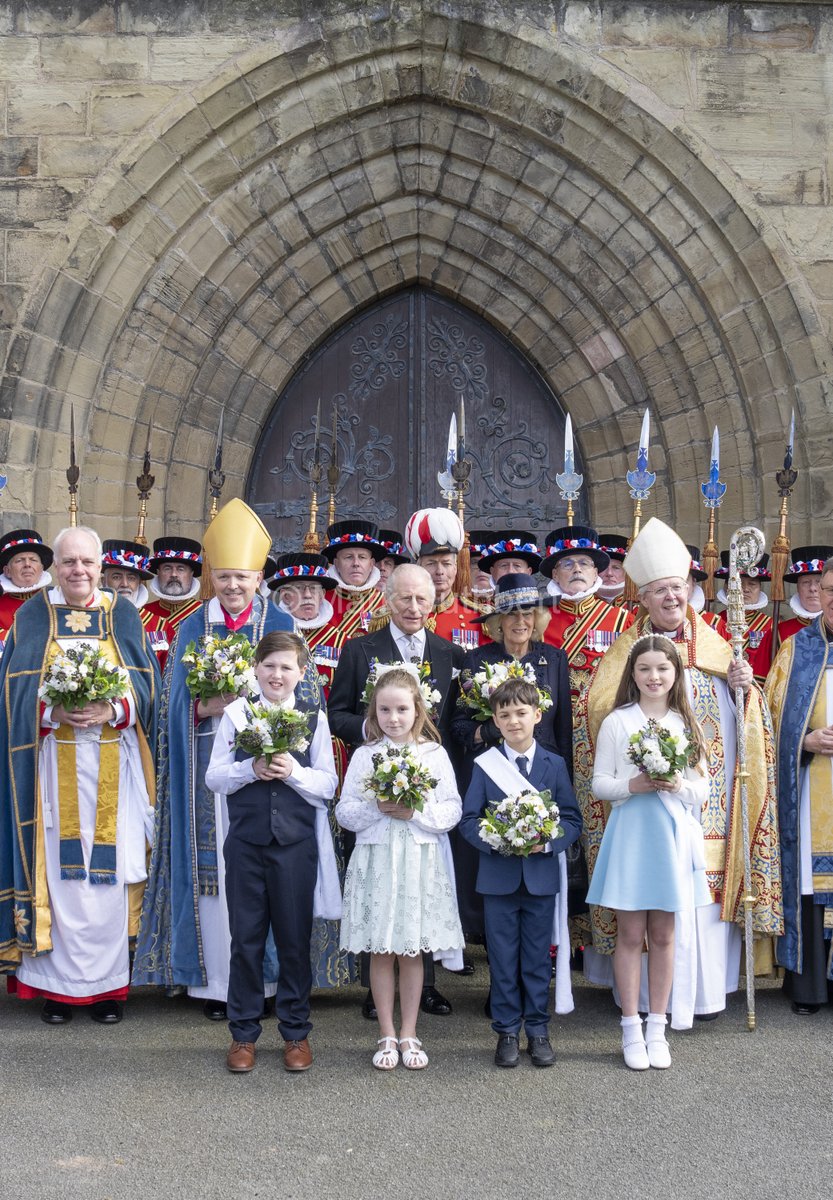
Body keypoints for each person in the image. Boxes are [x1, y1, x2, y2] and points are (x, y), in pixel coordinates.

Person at [575, 517, 782, 1018]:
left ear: (690, 589)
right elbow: (597, 715)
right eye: (659, 591)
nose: (671, 598)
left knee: (697, 902)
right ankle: (641, 1004)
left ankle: (703, 997)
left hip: (705, 807)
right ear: (642, 598)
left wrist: (743, 690)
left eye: (678, 587)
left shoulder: (719, 646)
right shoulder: (627, 654)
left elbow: (749, 725)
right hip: (640, 811)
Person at [132, 499, 322, 1016]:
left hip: (269, 776)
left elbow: (307, 701)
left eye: (242, 576)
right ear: (212, 575)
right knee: (212, 872)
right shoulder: (192, 628)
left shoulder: (281, 622)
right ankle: (213, 983)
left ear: (259, 576)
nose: (233, 586)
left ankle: (269, 987)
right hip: (205, 768)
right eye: (225, 577)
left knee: (268, 880)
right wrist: (205, 704)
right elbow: (171, 707)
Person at [0, 525, 159, 1024]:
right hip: (52, 768)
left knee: (110, 876)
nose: (78, 571)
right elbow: (12, 691)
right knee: (59, 877)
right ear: (55, 567)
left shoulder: (123, 614)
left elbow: (149, 689)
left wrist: (114, 708)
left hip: (114, 760)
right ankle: (55, 989)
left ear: (100, 566)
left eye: (87, 563)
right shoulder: (32, 615)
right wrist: (53, 713)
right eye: (68, 562)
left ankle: (109, 990)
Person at [329, 561, 465, 1017]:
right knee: (381, 887)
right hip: (375, 784)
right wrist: (377, 730)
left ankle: (424, 986)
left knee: (420, 889)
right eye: (403, 598)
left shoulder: (449, 653)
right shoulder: (360, 649)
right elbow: (336, 713)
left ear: (434, 602)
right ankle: (376, 989)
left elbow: (454, 722)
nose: (412, 607)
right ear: (387, 601)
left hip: (425, 787)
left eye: (421, 599)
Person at [205, 631, 341, 1073]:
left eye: (286, 667)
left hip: (294, 847)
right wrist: (250, 768)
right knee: (245, 941)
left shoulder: (313, 716)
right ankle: (243, 1034)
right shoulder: (237, 714)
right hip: (246, 844)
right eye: (269, 666)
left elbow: (328, 783)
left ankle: (296, 1032)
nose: (277, 674)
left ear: (302, 673)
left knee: (293, 941)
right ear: (255, 671)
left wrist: (292, 772)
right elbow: (215, 778)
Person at [587, 635, 711, 1067]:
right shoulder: (618, 722)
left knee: (663, 935)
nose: (654, 676)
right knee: (630, 934)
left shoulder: (685, 722)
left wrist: (679, 785)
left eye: (663, 668)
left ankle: (658, 1027)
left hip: (671, 838)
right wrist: (632, 785)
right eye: (645, 669)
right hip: (632, 835)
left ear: (675, 674)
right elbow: (599, 783)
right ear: (632, 674)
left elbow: (703, 787)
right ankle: (630, 1028)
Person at [336, 667, 464, 1070]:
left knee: (411, 950)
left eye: (402, 709)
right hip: (377, 858)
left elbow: (452, 809)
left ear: (417, 709)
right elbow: (344, 812)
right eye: (385, 709)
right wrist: (376, 807)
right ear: (374, 711)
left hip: (418, 858)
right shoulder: (365, 755)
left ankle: (410, 1032)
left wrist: (416, 811)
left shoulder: (434, 754)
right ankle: (386, 1033)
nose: (394, 718)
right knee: (382, 948)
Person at [459, 678, 582, 1068]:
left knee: (534, 959)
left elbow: (571, 819)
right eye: (505, 714)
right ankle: (507, 1031)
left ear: (537, 715)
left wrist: (547, 842)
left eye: (521, 713)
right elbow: (468, 820)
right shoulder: (484, 765)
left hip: (541, 877)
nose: (513, 721)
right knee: (501, 957)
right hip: (498, 878)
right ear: (495, 719)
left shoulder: (554, 764)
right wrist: (496, 839)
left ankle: (538, 1030)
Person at [766, 555, 833, 1014]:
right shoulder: (797, 649)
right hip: (813, 788)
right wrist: (804, 740)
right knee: (813, 882)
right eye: (829, 590)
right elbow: (769, 722)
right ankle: (811, 987)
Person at [540, 526, 633, 700]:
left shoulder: (624, 620)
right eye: (567, 564)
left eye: (584, 563)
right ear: (555, 574)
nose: (577, 569)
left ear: (595, 572)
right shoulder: (536, 618)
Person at [401, 508, 491, 647]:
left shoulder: (479, 618)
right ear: (419, 568)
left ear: (455, 568)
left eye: (446, 563)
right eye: (431, 563)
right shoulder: (398, 615)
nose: (439, 571)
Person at [141, 535, 204, 670]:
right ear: (158, 572)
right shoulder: (142, 613)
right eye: (167, 568)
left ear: (191, 573)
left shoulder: (205, 613)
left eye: (181, 568)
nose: (174, 574)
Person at [714, 551, 773, 685]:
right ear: (726, 587)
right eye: (739, 583)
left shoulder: (772, 626)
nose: (745, 589)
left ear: (760, 589)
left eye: (752, 584)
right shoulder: (715, 622)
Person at [322, 518, 388, 630]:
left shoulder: (386, 602)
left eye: (362, 557)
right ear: (336, 564)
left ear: (371, 564)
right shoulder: (321, 601)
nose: (356, 563)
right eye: (348, 557)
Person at [0, 528, 53, 656]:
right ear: (7, 571)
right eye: (19, 560)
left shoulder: (56, 600)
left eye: (33, 560)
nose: (27, 564)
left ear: (41, 568)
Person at [778, 545, 833, 643]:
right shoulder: (779, 632)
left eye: (818, 582)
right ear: (798, 588)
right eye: (806, 582)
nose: (812, 588)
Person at [101, 538, 153, 608]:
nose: (125, 584)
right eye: (116, 577)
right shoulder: (89, 617)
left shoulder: (155, 619)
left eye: (131, 578)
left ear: (139, 582)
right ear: (103, 581)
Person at [597, 534, 628, 606]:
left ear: (626, 572)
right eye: (603, 567)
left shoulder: (637, 606)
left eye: (616, 568)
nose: (609, 573)